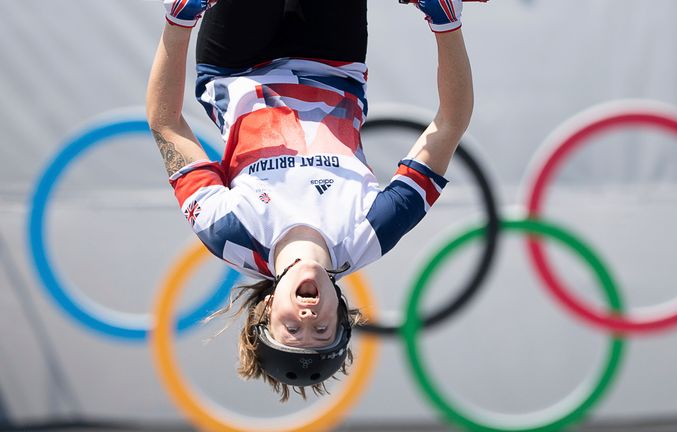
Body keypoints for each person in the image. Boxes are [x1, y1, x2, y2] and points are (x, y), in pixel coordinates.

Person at [146, 0, 474, 401]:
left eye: (292, 331)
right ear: (340, 314)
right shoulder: (369, 233)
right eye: (321, 331)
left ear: (266, 312)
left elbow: (166, 123)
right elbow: (450, 124)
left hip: (235, 65)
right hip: (333, 60)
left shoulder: (229, 232)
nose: (308, 319)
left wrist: (178, 20)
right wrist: (446, 22)